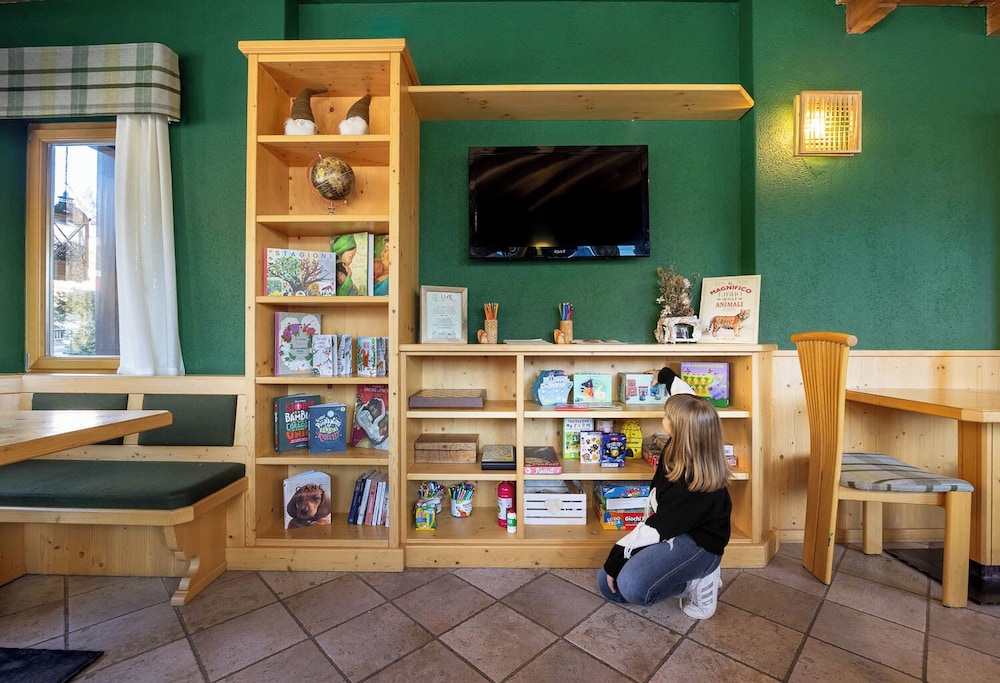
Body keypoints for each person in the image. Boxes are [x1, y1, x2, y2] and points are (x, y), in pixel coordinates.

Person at [597, 393, 732, 619]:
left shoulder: (696, 487)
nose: (663, 419)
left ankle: (695, 582)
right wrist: (665, 377)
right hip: (671, 530)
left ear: (682, 429)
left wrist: (617, 555)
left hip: (698, 545)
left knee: (632, 587)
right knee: (608, 585)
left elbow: (657, 527)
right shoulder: (678, 445)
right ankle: (678, 575)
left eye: (668, 416)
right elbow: (690, 398)